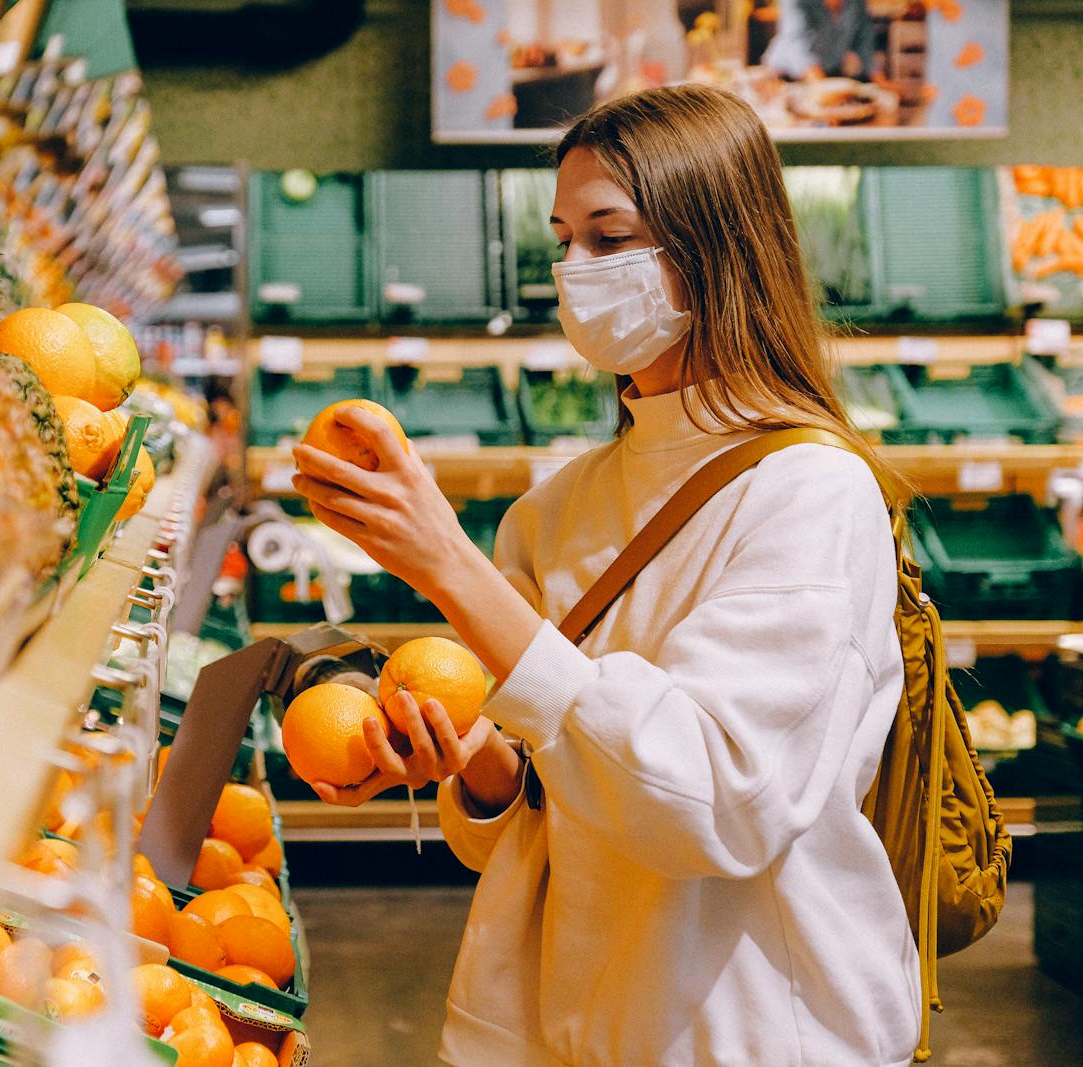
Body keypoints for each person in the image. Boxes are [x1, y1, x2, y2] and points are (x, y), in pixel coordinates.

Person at [290, 84, 920, 1066]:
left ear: (713, 247)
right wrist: (463, 758)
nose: (573, 271)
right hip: (563, 1024)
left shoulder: (810, 492)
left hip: (749, 1035)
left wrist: (449, 564)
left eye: (609, 237)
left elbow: (713, 805)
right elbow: (542, 819)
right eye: (563, 239)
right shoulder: (557, 506)